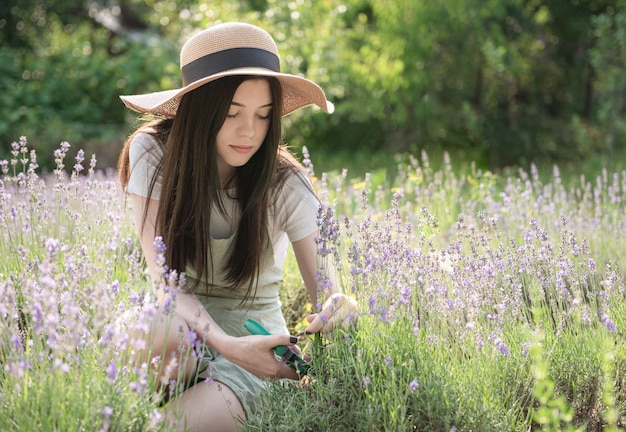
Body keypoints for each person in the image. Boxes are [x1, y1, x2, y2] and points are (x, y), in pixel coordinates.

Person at [117, 22, 357, 431]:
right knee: (156, 325)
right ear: (201, 109)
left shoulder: (285, 181)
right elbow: (167, 287)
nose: (250, 131)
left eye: (264, 116)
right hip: (180, 330)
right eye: (232, 113)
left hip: (257, 352)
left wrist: (341, 308)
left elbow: (328, 291)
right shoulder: (153, 153)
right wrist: (226, 344)